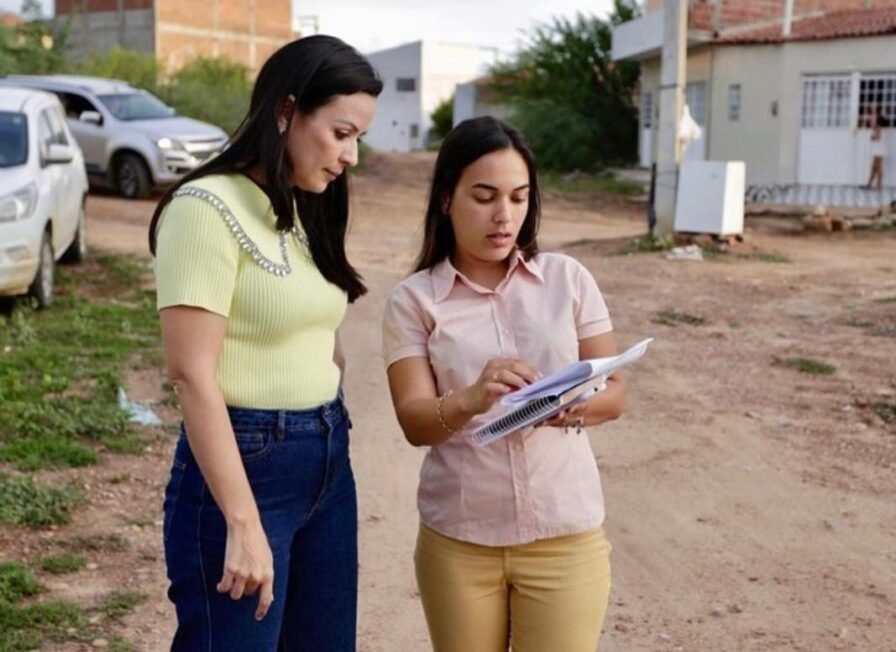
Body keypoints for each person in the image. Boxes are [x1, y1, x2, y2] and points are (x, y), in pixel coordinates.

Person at [149, 35, 380, 651]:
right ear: (286, 110)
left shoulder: (300, 205)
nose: (351, 156)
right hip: (247, 465)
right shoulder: (204, 208)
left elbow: (316, 327)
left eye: (358, 138)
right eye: (341, 133)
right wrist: (243, 521)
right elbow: (191, 373)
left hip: (326, 460)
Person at [382, 116, 628, 652]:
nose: (504, 216)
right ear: (446, 199)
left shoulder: (568, 278)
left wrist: (573, 408)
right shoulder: (414, 300)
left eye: (519, 197)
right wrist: (471, 398)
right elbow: (414, 421)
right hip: (460, 541)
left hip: (564, 535)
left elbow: (615, 391)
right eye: (484, 196)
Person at [865, 105, 886, 190]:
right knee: (875, 167)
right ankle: (871, 184)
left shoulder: (878, 127)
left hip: (879, 149)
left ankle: (878, 186)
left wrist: (872, 137)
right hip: (879, 149)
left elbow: (877, 137)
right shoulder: (878, 127)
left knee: (877, 167)